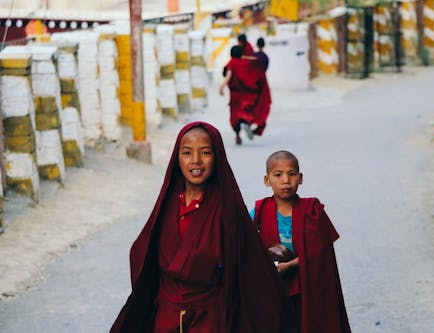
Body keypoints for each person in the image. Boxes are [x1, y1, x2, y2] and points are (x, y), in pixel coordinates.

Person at [110, 123, 296, 333]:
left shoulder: (227, 206)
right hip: (167, 314)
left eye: (205, 152)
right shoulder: (168, 202)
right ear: (177, 159)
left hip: (209, 317)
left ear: (217, 157)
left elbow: (248, 263)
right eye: (187, 153)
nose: (196, 161)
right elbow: (144, 250)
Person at [250, 150, 352, 333]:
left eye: (292, 174)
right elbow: (247, 245)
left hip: (309, 286)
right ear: (267, 180)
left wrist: (289, 266)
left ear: (301, 178)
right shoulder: (259, 210)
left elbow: (322, 255)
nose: (286, 180)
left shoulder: (312, 210)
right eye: (278, 175)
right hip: (274, 286)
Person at [219, 45, 272, 145]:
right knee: (246, 112)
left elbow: (228, 75)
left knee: (235, 117)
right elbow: (257, 60)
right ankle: (246, 122)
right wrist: (244, 57)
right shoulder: (247, 63)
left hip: (235, 96)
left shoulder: (232, 63)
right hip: (248, 96)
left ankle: (238, 135)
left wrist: (222, 87)